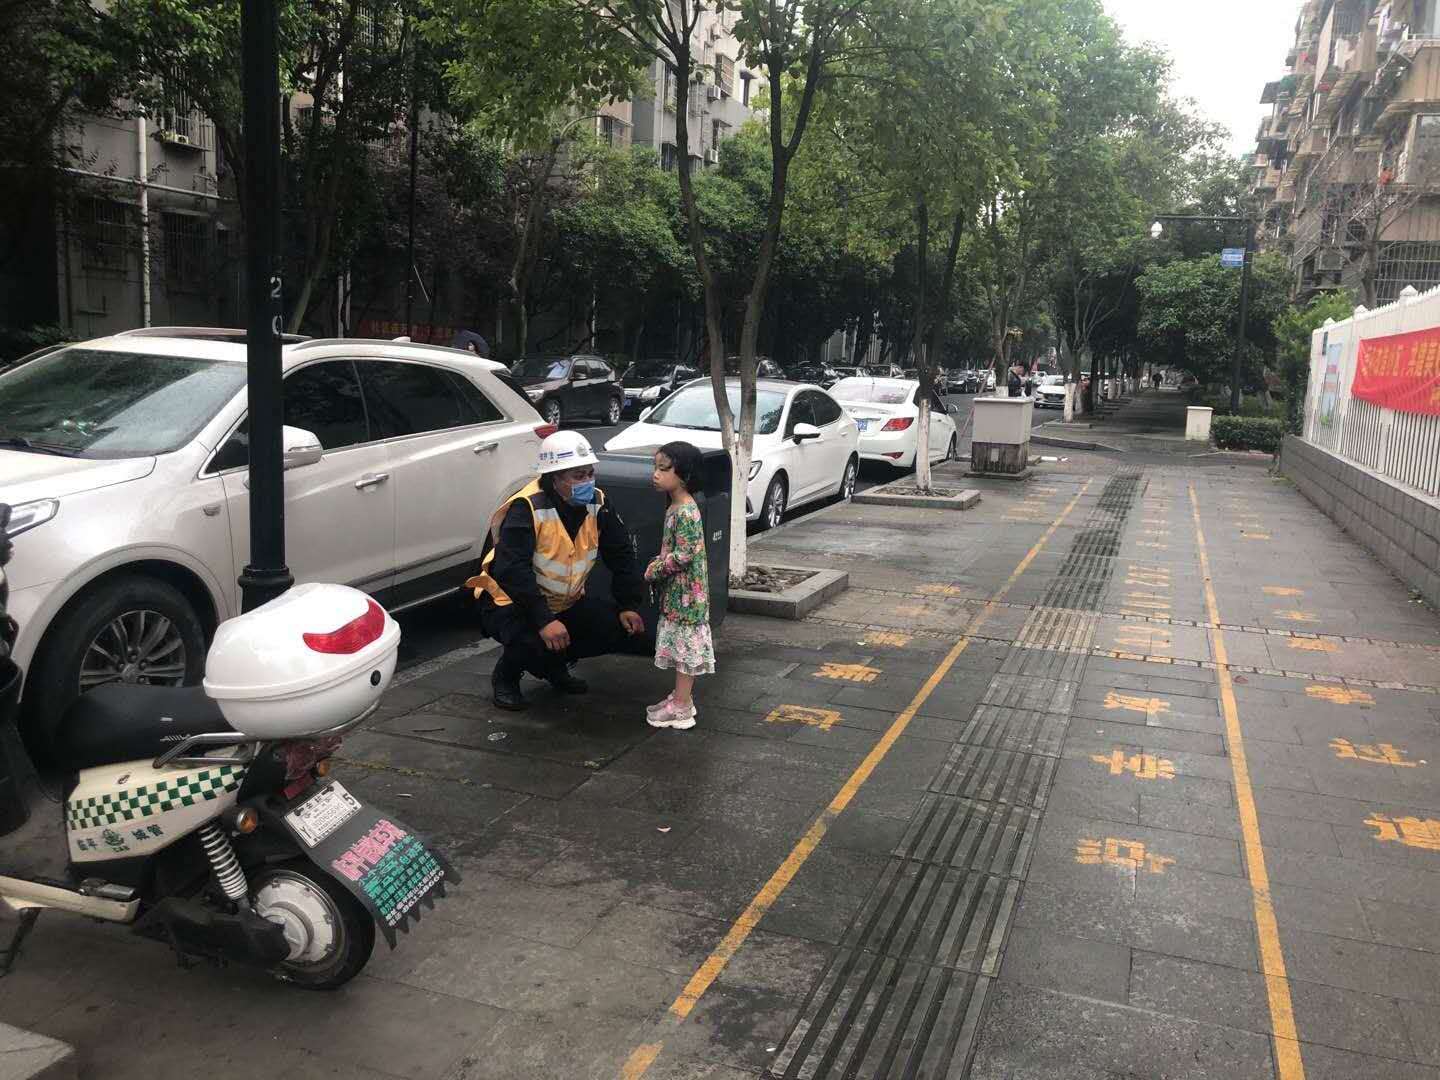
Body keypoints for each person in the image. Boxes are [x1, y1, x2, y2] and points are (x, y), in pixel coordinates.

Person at [467, 431, 650, 710]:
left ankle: (554, 666)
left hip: (564, 601)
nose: (588, 481)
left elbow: (621, 554)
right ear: (555, 478)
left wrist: (628, 604)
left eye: (590, 473)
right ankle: (506, 676)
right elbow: (512, 570)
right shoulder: (527, 507)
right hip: (509, 602)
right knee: (531, 642)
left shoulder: (598, 503)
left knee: (617, 629)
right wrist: (544, 620)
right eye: (578, 476)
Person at [643, 442, 714, 730]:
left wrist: (656, 569)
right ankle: (681, 698)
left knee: (685, 649)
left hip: (687, 596)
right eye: (655, 467)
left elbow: (684, 555)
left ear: (684, 474)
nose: (656, 474)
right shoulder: (676, 505)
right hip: (679, 593)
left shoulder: (685, 510)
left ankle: (682, 707)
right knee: (681, 647)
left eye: (664, 469)